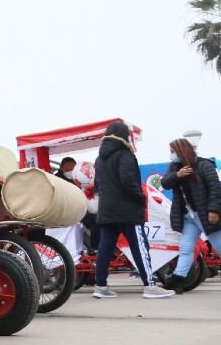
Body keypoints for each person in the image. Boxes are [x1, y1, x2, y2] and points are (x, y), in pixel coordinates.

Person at [91, 121, 174, 299]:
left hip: (107, 210)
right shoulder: (124, 154)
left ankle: (100, 285)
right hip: (127, 210)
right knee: (140, 247)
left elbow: (97, 184)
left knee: (105, 249)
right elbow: (128, 181)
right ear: (124, 136)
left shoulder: (99, 158)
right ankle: (150, 286)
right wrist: (140, 197)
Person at [159, 138, 221, 293]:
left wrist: (214, 210)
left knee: (219, 247)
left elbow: (215, 188)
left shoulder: (203, 165)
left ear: (182, 151)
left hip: (205, 215)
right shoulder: (174, 167)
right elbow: (165, 183)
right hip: (189, 217)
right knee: (185, 248)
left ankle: (177, 281)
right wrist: (177, 175)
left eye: (173, 151)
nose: (171, 154)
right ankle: (176, 282)